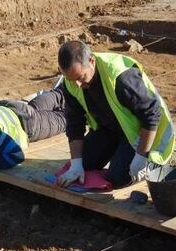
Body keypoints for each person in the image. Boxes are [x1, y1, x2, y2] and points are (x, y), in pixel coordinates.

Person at [56, 40, 175, 189]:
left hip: (142, 134)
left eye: (80, 77)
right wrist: (76, 164)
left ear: (91, 61)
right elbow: (74, 123)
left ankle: (151, 165)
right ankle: (119, 153)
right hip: (110, 129)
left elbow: (152, 115)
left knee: (119, 177)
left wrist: (141, 157)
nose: (77, 85)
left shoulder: (121, 77)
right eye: (71, 79)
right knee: (84, 164)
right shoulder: (71, 83)